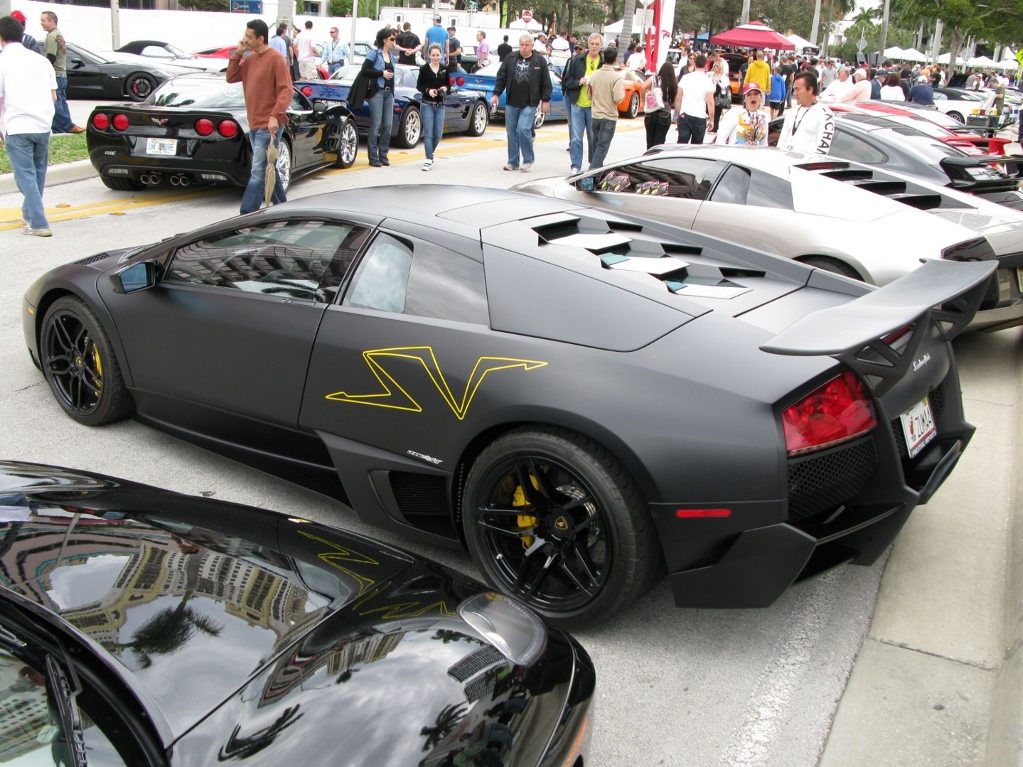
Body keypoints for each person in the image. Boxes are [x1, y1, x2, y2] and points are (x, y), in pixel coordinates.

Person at [226, 19, 291, 215]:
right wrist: (237, 53)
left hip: (269, 125)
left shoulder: (276, 58)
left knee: (257, 171)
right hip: (254, 124)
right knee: (266, 168)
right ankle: (285, 210)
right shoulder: (250, 59)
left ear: (260, 38)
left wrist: (274, 116)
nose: (244, 39)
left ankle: (246, 215)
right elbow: (230, 77)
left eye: (248, 37)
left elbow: (286, 90)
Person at [0, 14, 57, 236]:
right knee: (37, 173)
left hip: (18, 125)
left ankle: (38, 223)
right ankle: (29, 214)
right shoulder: (41, 60)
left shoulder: (3, 61)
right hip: (43, 124)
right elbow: (54, 96)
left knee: (24, 175)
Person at [490, 34, 552, 171]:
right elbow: (501, 76)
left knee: (523, 129)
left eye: (527, 45)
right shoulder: (510, 58)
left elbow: (546, 83)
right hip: (512, 101)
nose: (524, 47)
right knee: (511, 132)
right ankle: (513, 161)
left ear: (532, 46)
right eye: (522, 45)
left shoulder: (539, 61)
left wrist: (545, 101)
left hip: (530, 103)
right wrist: (496, 94)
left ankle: (528, 159)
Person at [561, 33, 602, 173]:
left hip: (594, 107)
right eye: (592, 44)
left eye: (597, 44)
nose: (594, 46)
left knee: (593, 137)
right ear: (588, 45)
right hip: (577, 104)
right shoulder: (577, 60)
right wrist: (579, 82)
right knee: (576, 137)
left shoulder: (603, 63)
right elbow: (566, 81)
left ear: (600, 46)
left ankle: (593, 165)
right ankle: (575, 165)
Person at [40, 11, 82, 134]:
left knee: (55, 101)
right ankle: (60, 128)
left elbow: (51, 58)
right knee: (62, 101)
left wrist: (45, 72)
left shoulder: (52, 36)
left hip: (56, 74)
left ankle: (68, 125)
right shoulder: (59, 35)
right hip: (62, 74)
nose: (41, 23)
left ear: (52, 21)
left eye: (43, 20)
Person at [776, 70, 834, 155]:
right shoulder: (792, 111)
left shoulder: (825, 115)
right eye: (794, 89)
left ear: (810, 89)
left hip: (805, 165)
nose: (794, 93)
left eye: (797, 89)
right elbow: (781, 141)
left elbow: (822, 150)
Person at [363, 27, 397, 167]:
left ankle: (383, 155)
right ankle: (373, 157)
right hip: (377, 92)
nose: (394, 41)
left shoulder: (391, 55)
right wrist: (381, 73)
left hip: (389, 93)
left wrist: (393, 93)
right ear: (384, 39)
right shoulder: (374, 53)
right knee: (376, 125)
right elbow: (365, 70)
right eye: (392, 39)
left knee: (388, 125)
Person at [586, 47, 625, 168]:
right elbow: (618, 98)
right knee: (602, 147)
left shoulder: (594, 74)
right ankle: (591, 173)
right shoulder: (616, 77)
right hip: (609, 116)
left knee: (596, 145)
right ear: (615, 59)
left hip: (596, 115)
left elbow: (589, 95)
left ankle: (595, 172)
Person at [417, 43, 448, 171]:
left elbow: (449, 85)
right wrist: (428, 90)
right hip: (427, 105)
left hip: (440, 105)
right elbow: (419, 86)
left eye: (438, 55)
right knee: (429, 133)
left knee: (438, 134)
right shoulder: (424, 69)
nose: (436, 57)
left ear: (441, 55)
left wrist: (445, 88)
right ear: (429, 56)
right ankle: (428, 159)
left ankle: (431, 152)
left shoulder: (444, 69)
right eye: (433, 55)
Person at [674, 52, 715, 144]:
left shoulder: (685, 78)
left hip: (685, 115)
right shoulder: (708, 81)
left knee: (681, 144)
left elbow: (678, 98)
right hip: (700, 117)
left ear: (695, 63)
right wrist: (712, 119)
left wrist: (677, 114)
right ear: (706, 65)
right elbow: (710, 102)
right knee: (696, 147)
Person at [641, 61, 677, 149]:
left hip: (650, 113)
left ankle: (647, 159)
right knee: (659, 144)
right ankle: (655, 160)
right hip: (665, 114)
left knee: (649, 142)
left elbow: (643, 87)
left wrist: (643, 102)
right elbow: (674, 103)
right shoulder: (673, 83)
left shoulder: (654, 79)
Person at [708, 59, 729, 132]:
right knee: (711, 110)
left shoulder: (723, 76)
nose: (715, 67)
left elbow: (725, 87)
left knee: (717, 112)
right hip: (712, 93)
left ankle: (715, 127)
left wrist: (718, 82)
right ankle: (711, 125)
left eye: (717, 66)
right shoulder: (711, 75)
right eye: (714, 66)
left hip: (719, 94)